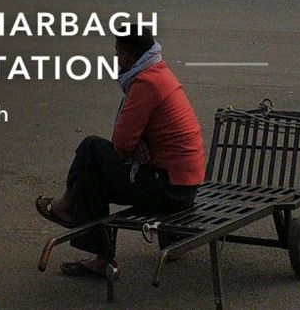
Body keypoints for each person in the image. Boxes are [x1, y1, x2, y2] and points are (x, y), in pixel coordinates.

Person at [35, 26, 205, 279]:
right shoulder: (159, 72)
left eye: (117, 52)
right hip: (182, 184)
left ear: (126, 56)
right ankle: (99, 256)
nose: (116, 59)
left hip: (169, 189)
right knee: (91, 175)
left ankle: (67, 207)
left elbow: (122, 144)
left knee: (90, 148)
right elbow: (129, 144)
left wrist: (132, 145)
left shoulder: (146, 83)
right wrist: (137, 145)